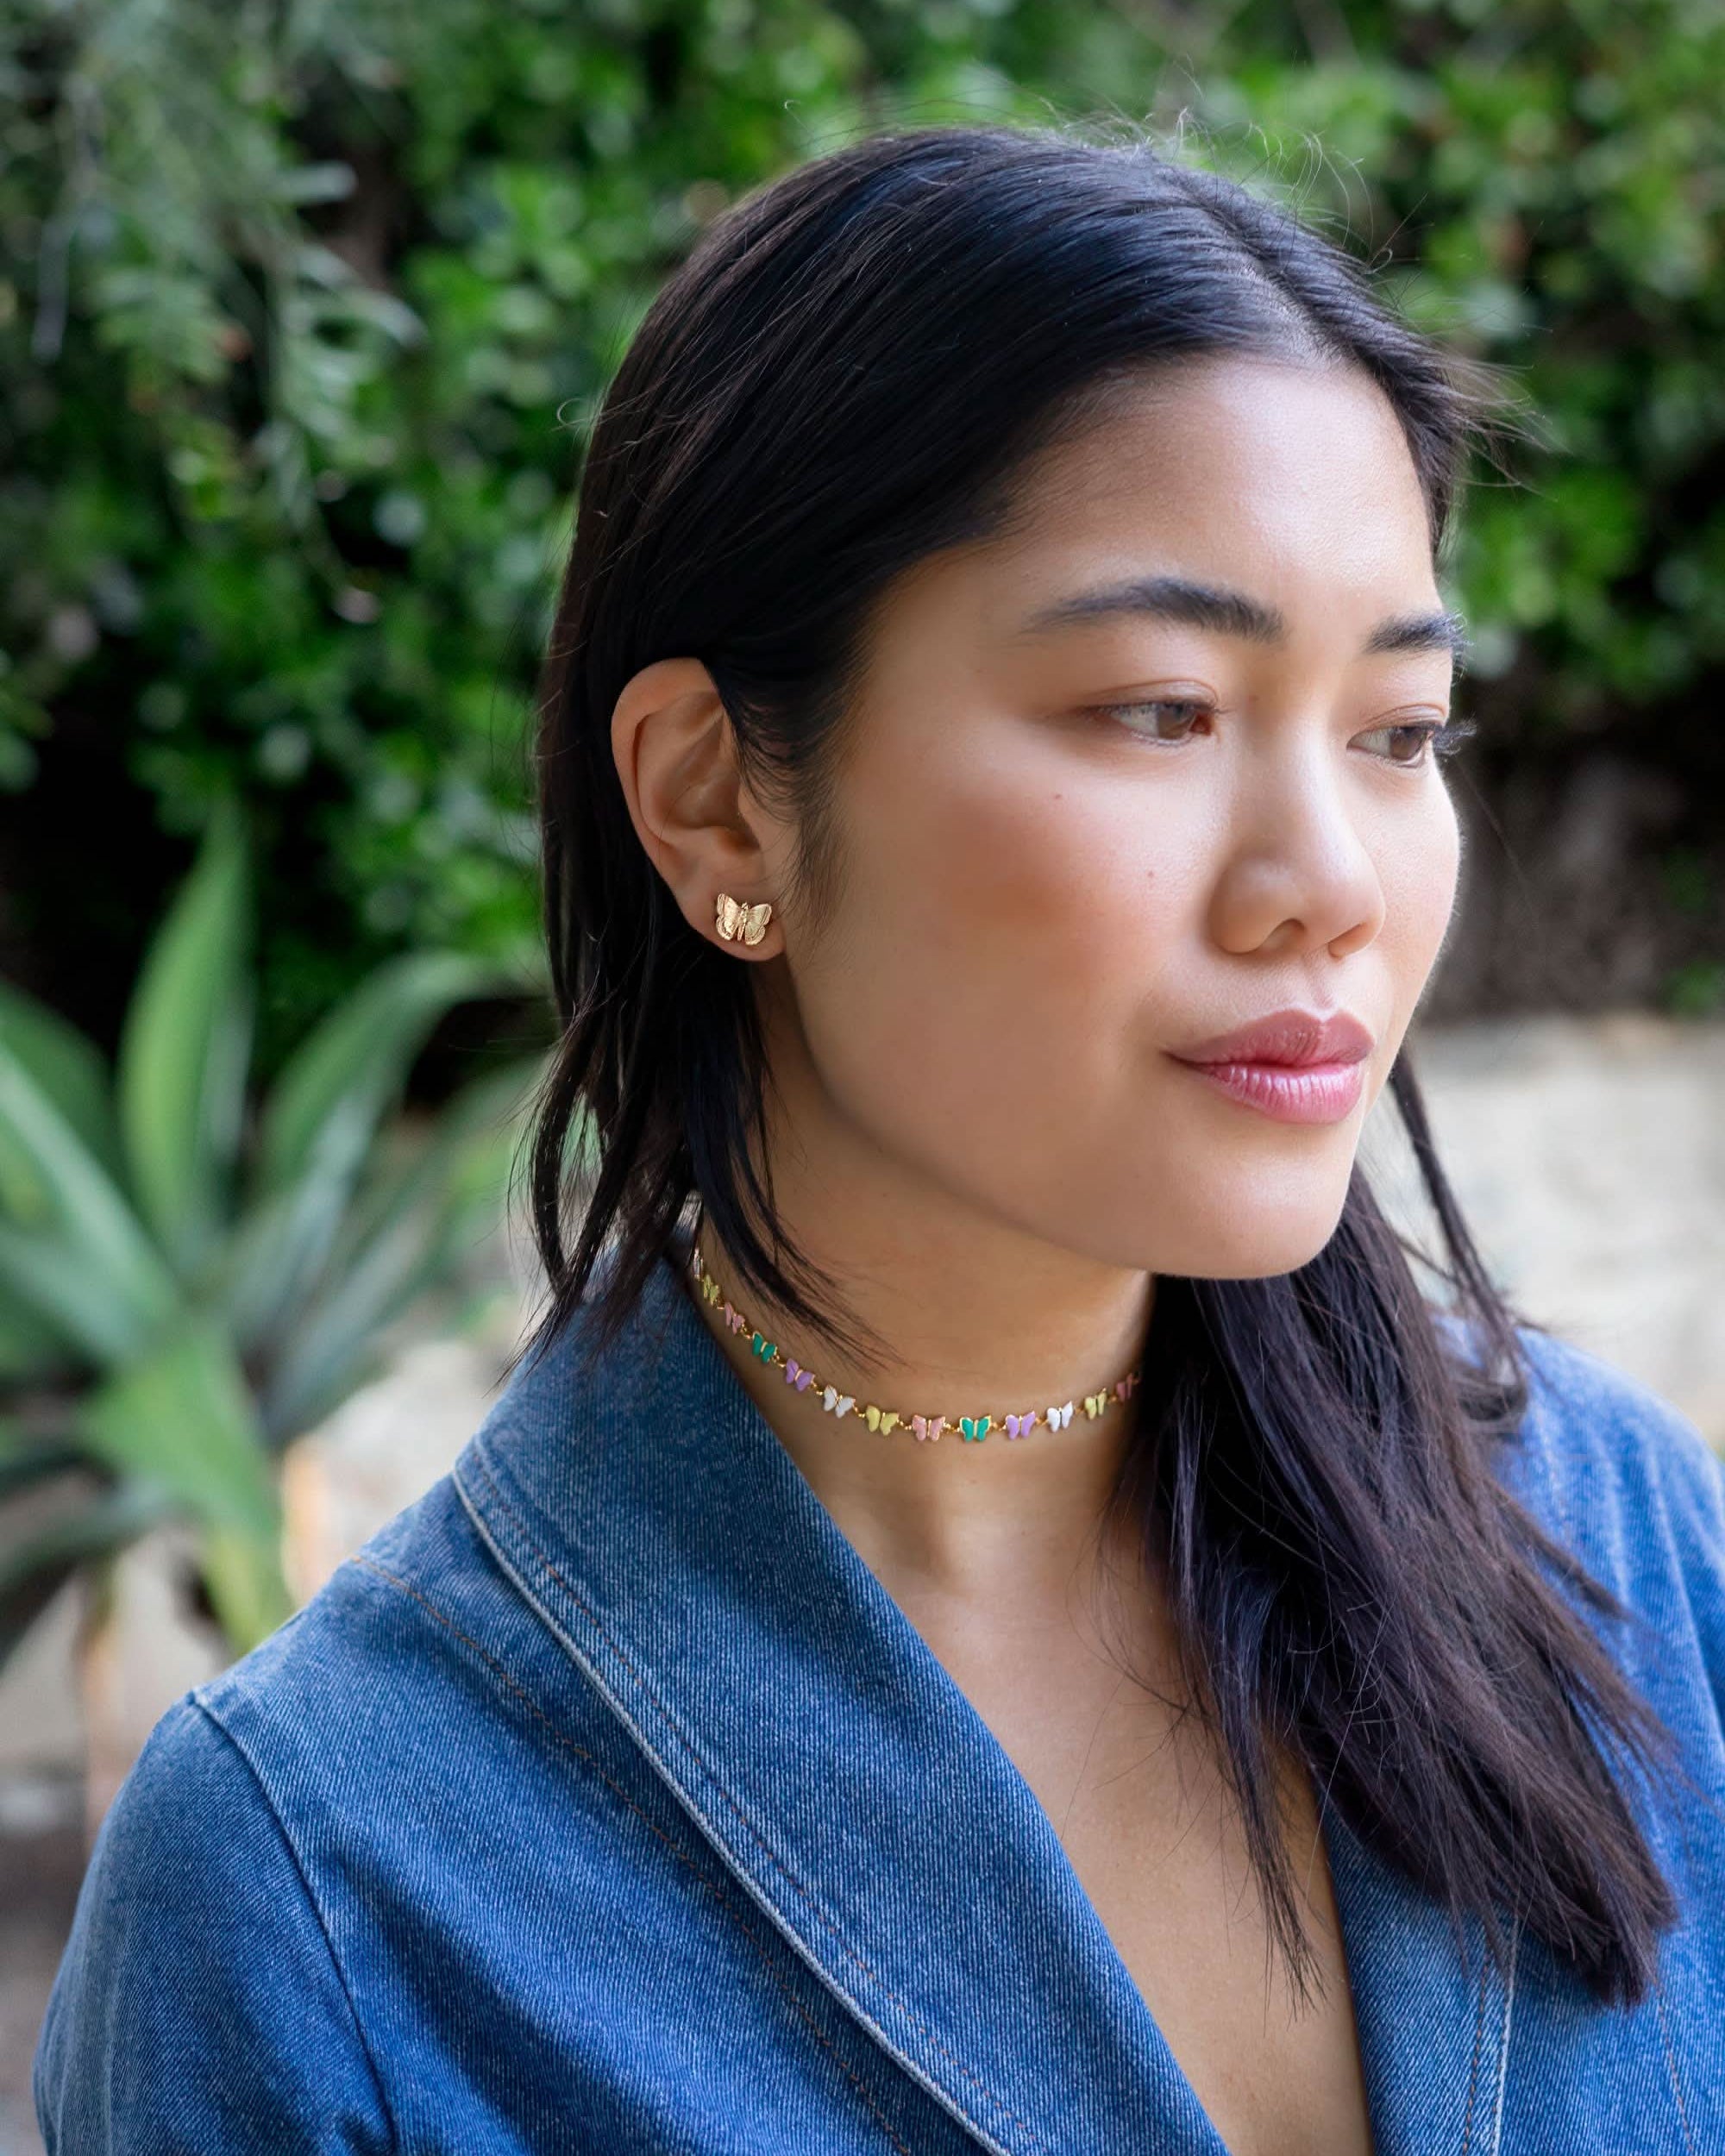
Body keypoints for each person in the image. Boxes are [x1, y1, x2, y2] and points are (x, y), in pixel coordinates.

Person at [34, 121, 1725, 2156]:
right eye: (1160, 707)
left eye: (1395, 730)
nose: (1326, 881)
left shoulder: (1616, 1549)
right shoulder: (326, 1883)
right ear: (715, 797)